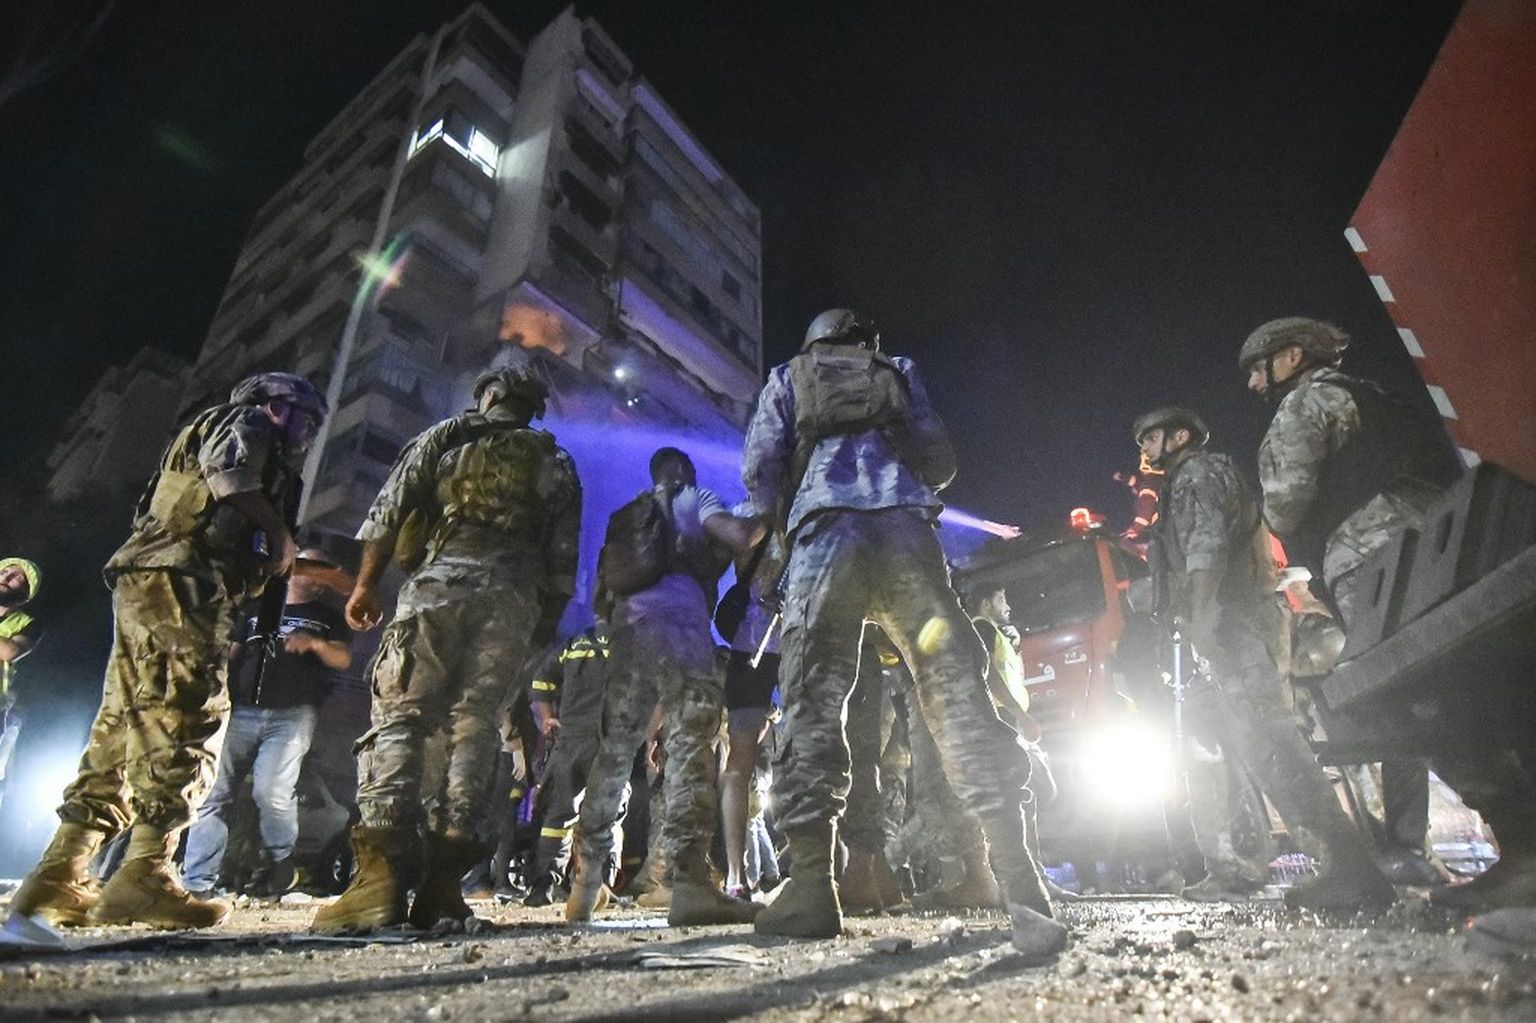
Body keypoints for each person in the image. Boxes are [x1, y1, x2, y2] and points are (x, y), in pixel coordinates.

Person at [741, 308, 1066, 960]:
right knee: (956, 693)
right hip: (906, 537)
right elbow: (939, 461)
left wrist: (787, 521)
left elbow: (759, 470)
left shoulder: (788, 376)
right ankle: (1022, 886)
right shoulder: (898, 370)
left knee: (813, 700)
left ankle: (813, 887)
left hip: (825, 538)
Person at [9, 372, 325, 929]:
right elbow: (229, 476)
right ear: (277, 407)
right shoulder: (249, 421)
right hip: (186, 580)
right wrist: (280, 534)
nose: (310, 432)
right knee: (188, 712)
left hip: (153, 577)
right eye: (307, 418)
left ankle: (60, 871)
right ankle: (146, 873)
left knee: (123, 724)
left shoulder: (219, 430)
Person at [1242, 317, 1536, 912]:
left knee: (1425, 696)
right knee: (1483, 682)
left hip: (1376, 565)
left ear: (1292, 356)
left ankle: (1523, 850)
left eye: (1258, 367)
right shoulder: (1375, 397)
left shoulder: (1303, 406)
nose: (1252, 384)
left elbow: (1285, 506)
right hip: (1444, 545)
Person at [313, 365, 580, 932]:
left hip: (440, 589)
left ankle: (377, 883)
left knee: (402, 717)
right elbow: (563, 567)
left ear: (491, 394)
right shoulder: (557, 463)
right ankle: (442, 887)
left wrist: (364, 586)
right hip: (513, 603)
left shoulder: (449, 435)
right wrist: (534, 634)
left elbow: (388, 512)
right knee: (474, 728)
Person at [1136, 405, 1394, 910]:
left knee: (1274, 740)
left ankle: (1351, 868)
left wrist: (1203, 615)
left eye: (1150, 437)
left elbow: (1207, 548)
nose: (1144, 448)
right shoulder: (1184, 483)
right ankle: (1336, 866)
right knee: (1258, 747)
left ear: (1179, 436)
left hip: (1235, 625)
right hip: (1226, 629)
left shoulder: (1197, 474)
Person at [565, 447, 762, 927]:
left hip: (628, 632)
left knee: (614, 752)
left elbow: (601, 598)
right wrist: (767, 515)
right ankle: (690, 882)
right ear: (685, 473)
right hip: (681, 629)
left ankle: (584, 888)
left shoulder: (627, 517)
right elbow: (739, 536)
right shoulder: (692, 498)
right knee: (690, 745)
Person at [181, 548, 354, 898]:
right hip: (240, 710)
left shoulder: (327, 617)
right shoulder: (257, 607)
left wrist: (314, 644)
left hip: (292, 714)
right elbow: (231, 653)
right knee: (213, 792)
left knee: (271, 791)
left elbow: (343, 659)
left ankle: (280, 861)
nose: (313, 573)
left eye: (320, 569)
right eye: (308, 565)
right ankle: (197, 882)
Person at [522, 623, 612, 906]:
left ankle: (543, 886)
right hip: (608, 741)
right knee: (605, 814)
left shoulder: (573, 643)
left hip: (569, 740)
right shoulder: (628, 644)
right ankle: (595, 884)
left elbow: (539, 682)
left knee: (557, 816)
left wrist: (547, 719)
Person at [719, 519, 783, 900]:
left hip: (778, 641)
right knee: (739, 763)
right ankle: (735, 874)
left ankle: (739, 876)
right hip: (754, 648)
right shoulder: (757, 519)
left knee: (741, 765)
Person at [0, 557, 43, 814]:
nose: (6, 577)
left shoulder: (28, 624)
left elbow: (9, 651)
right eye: (4, 571)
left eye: (16, 576)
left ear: (26, 593)